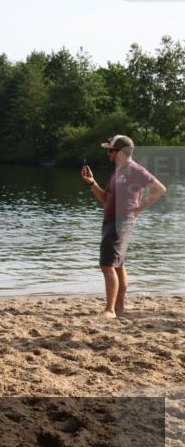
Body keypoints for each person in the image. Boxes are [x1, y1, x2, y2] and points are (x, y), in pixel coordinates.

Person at [81, 135, 166, 319]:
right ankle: (118, 309)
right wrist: (91, 182)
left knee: (106, 265)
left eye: (110, 150)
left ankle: (110, 310)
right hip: (110, 221)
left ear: (120, 151)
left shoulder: (135, 169)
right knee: (118, 265)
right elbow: (105, 199)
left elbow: (160, 189)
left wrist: (139, 209)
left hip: (121, 222)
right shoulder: (117, 172)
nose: (108, 154)